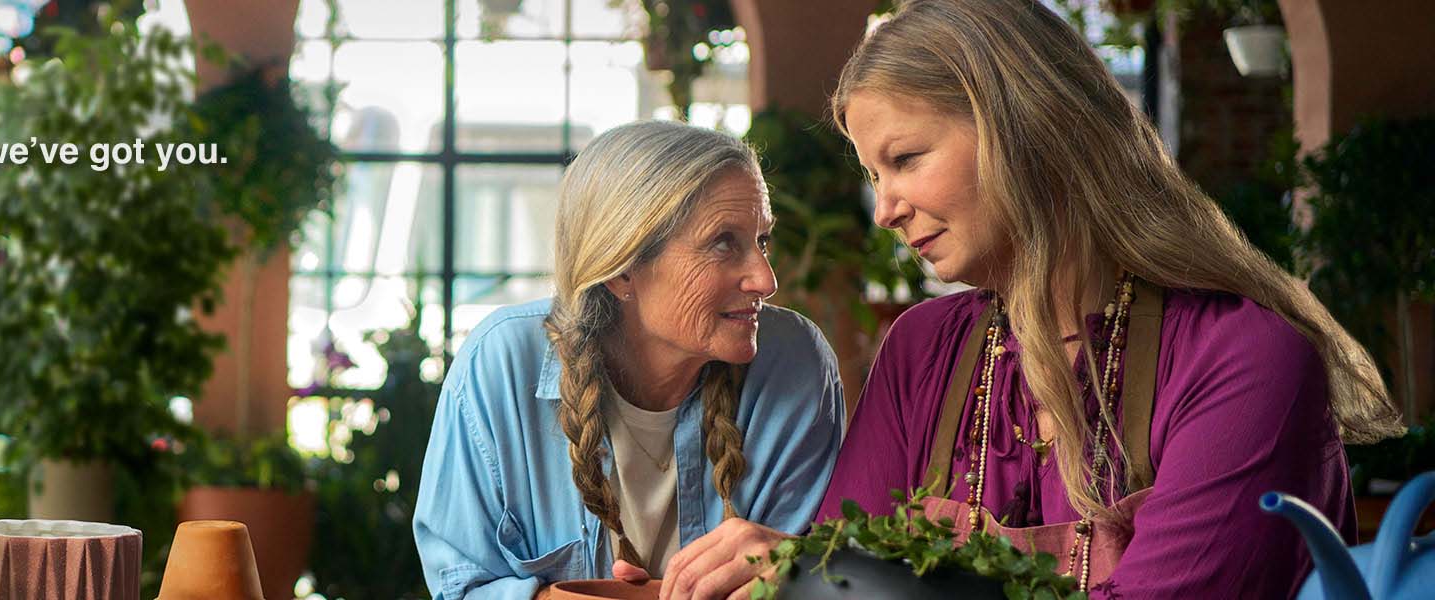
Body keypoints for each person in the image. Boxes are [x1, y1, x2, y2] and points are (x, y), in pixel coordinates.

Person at [816, 1, 1404, 598]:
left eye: (906, 159)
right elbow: (835, 584)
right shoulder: (920, 350)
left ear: (1023, 126)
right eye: (874, 176)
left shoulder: (1242, 355)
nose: (886, 210)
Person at [412, 120, 845, 600]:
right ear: (621, 271)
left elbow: (815, 579)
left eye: (761, 241)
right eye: (724, 242)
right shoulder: (501, 365)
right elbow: (461, 587)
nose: (766, 279)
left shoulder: (795, 363)